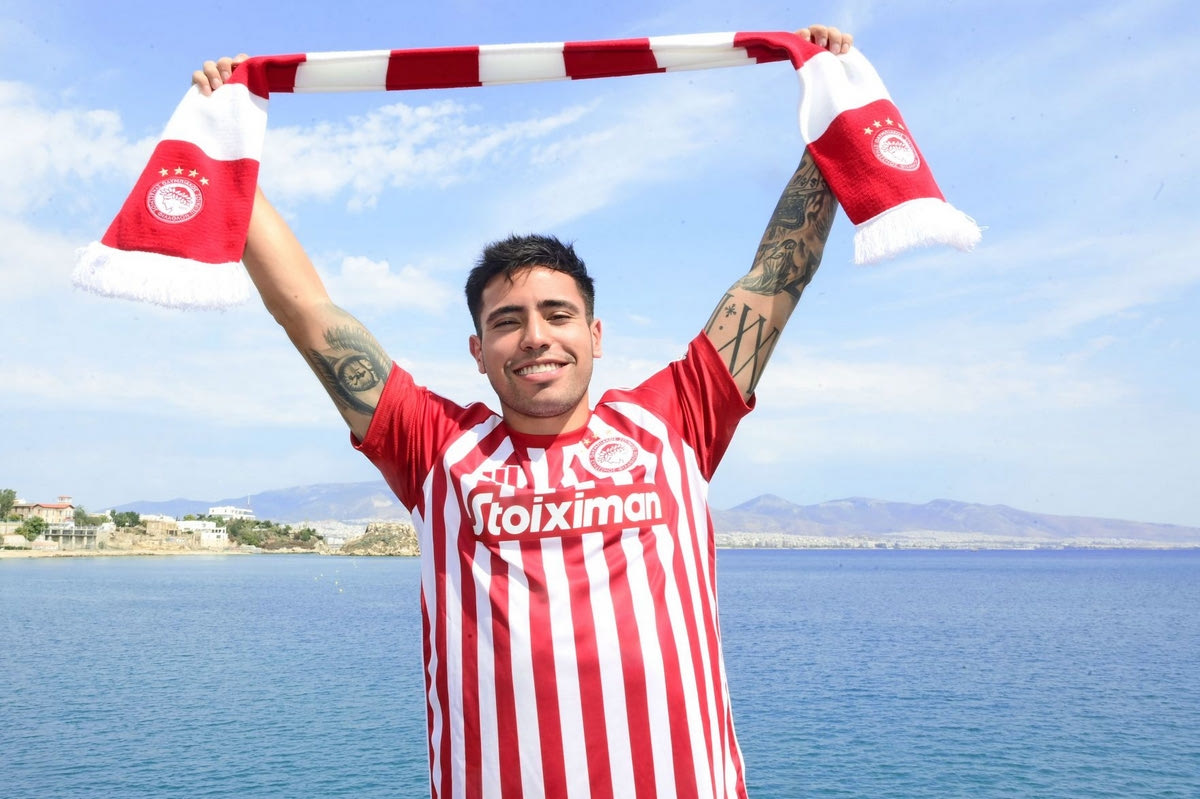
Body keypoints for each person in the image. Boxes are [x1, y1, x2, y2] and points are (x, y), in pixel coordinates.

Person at [196, 23, 852, 799]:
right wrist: (223, 141)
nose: (536, 336)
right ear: (478, 351)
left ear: (595, 335)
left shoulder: (678, 417)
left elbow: (779, 271)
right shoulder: (437, 448)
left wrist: (834, 103)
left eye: (557, 314)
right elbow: (309, 313)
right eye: (508, 322)